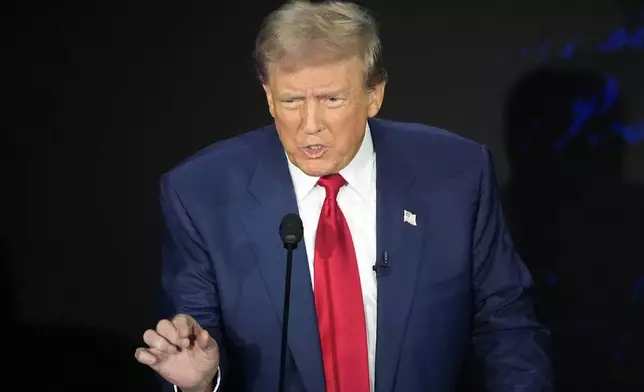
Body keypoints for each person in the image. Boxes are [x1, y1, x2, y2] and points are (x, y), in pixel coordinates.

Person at [135, 1, 553, 391]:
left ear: (375, 95)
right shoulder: (200, 193)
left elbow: (507, 325)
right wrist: (203, 383)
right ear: (268, 97)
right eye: (292, 101)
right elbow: (194, 336)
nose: (310, 124)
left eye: (332, 99)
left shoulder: (456, 174)